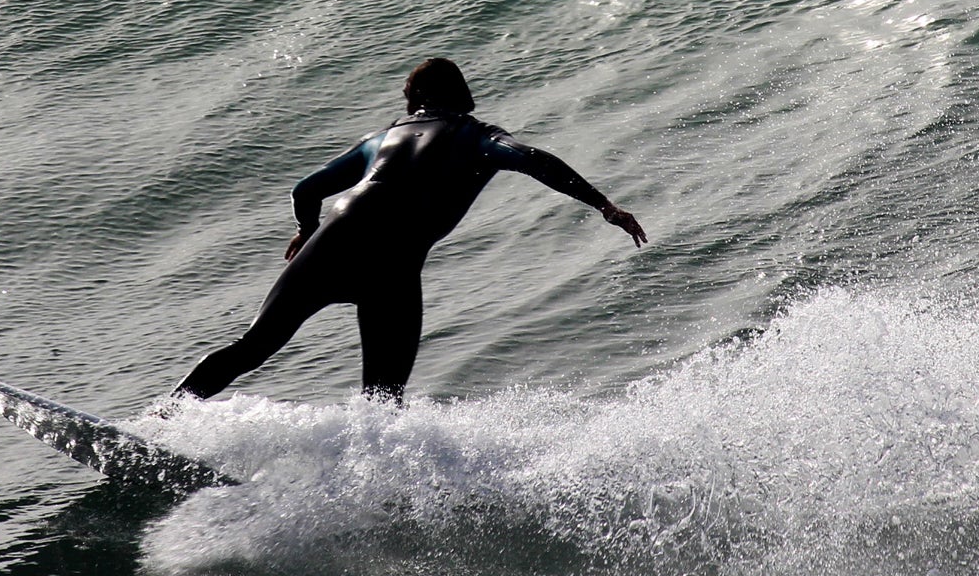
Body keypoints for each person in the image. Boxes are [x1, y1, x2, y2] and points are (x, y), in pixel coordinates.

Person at [174, 57, 646, 403]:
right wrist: (603, 204)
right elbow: (533, 160)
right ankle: (371, 489)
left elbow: (305, 189)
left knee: (251, 348)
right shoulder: (477, 137)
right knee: (383, 397)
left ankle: (161, 419)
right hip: (394, 265)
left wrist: (306, 230)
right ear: (462, 95)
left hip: (337, 242)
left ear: (415, 101)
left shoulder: (380, 139)